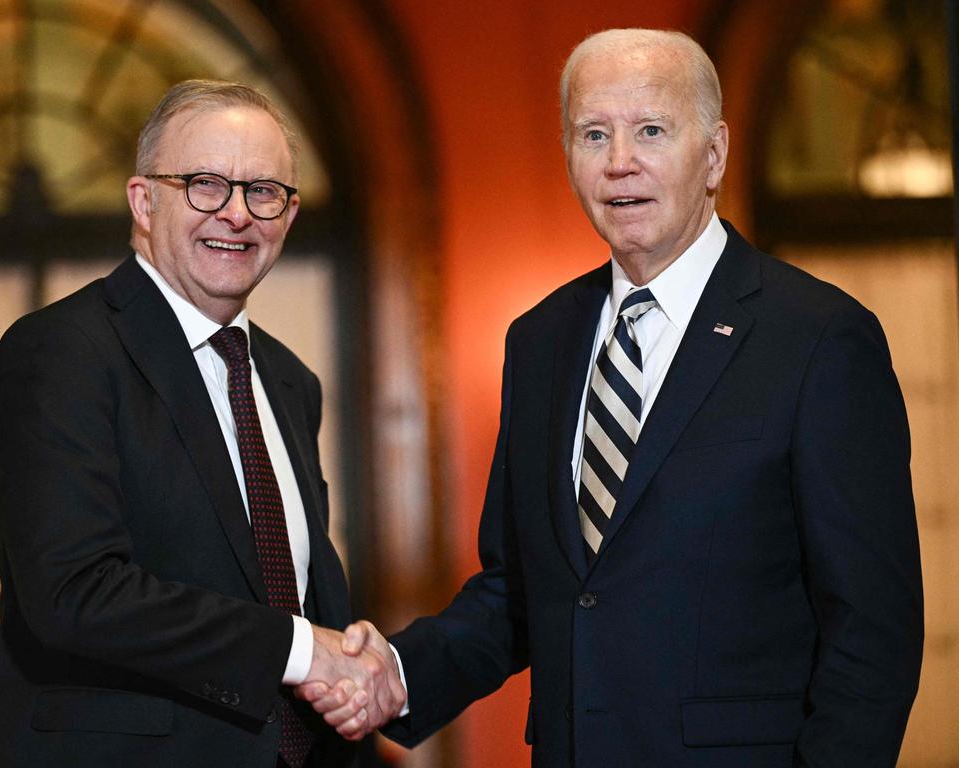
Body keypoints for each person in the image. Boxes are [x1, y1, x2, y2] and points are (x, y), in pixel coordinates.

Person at [302, 28, 924, 767]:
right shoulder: (540, 341)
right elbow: (519, 592)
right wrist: (396, 676)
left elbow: (872, 630)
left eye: (651, 130)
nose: (620, 161)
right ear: (569, 156)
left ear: (715, 154)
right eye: (593, 134)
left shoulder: (820, 338)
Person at [0, 80, 403, 768]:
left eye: (263, 191)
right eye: (205, 184)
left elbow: (286, 581)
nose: (236, 214)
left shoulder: (292, 382)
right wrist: (303, 650)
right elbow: (72, 592)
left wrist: (352, 665)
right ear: (143, 202)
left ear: (289, 216)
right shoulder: (61, 351)